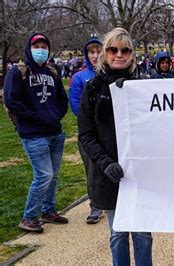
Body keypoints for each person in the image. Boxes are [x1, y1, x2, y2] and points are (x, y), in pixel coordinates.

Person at [77, 28, 153, 266]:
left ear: (132, 54)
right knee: (118, 234)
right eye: (113, 49)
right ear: (105, 52)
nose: (119, 54)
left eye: (125, 50)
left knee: (143, 235)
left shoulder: (144, 87)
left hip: (140, 173)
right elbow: (86, 135)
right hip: (109, 174)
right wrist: (105, 163)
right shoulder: (92, 88)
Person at [3, 33, 69, 233]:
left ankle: (48, 210)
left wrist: (55, 115)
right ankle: (29, 216)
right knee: (44, 175)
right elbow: (12, 101)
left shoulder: (53, 72)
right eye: (36, 46)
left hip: (54, 132)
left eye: (44, 46)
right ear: (29, 49)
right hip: (33, 134)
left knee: (54, 175)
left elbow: (62, 99)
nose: (41, 50)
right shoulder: (17, 72)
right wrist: (36, 117)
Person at [69, 36, 104, 224]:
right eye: (92, 52)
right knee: (91, 170)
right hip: (89, 133)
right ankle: (95, 206)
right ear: (86, 54)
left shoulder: (109, 73)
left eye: (99, 51)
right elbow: (76, 107)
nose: (96, 55)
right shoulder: (79, 78)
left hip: (110, 132)